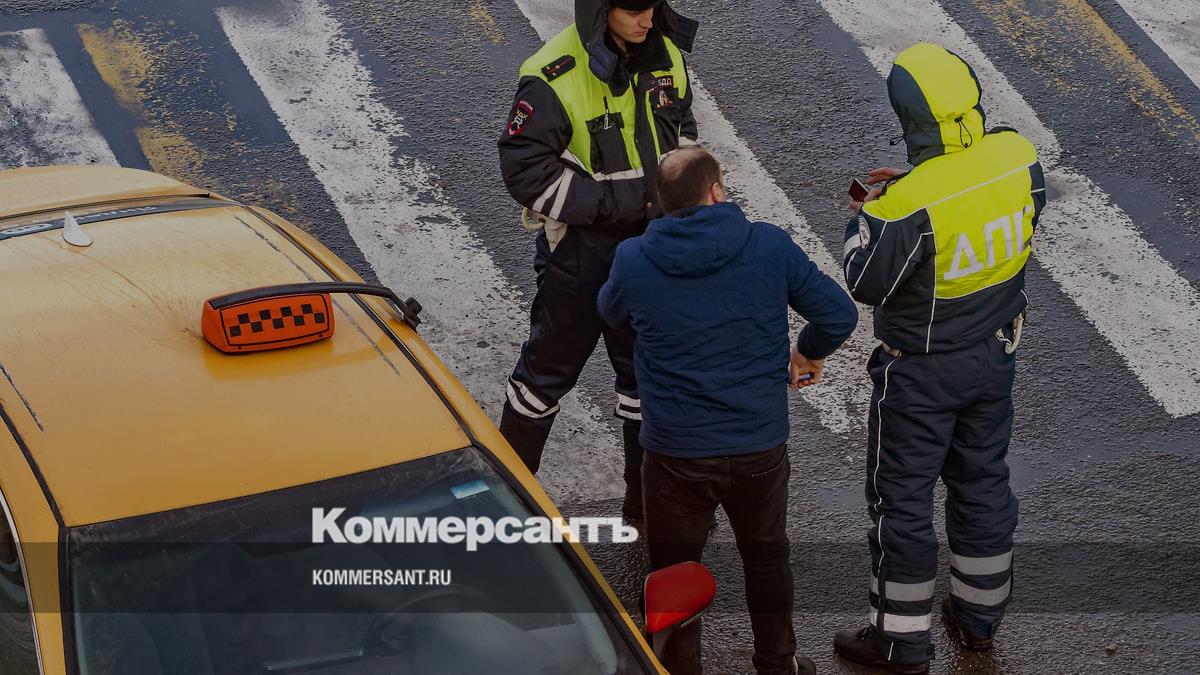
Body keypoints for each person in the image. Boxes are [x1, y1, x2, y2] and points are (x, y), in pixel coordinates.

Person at [598, 145, 859, 675]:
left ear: (662, 202)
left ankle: (679, 667)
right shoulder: (768, 245)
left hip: (675, 453)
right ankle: (777, 664)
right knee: (766, 557)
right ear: (717, 191)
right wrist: (807, 351)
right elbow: (838, 314)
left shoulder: (634, 260)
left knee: (674, 570)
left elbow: (611, 313)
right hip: (758, 444)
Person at [833, 43, 1047, 673]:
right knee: (981, 483)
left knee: (900, 501)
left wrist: (863, 218)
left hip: (920, 372)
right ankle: (979, 621)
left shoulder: (903, 206)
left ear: (910, 118)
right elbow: (991, 200)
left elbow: (865, 279)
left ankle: (899, 642)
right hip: (995, 355)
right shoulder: (1017, 156)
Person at [497, 0, 700, 526]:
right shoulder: (551, 76)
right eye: (633, 10)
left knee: (643, 380)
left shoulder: (665, 53)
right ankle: (507, 508)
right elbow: (525, 169)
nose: (647, 20)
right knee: (544, 377)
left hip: (653, 248)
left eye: (653, 6)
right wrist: (618, 205)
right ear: (601, 9)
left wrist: (681, 200)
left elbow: (683, 127)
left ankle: (645, 509)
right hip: (582, 254)